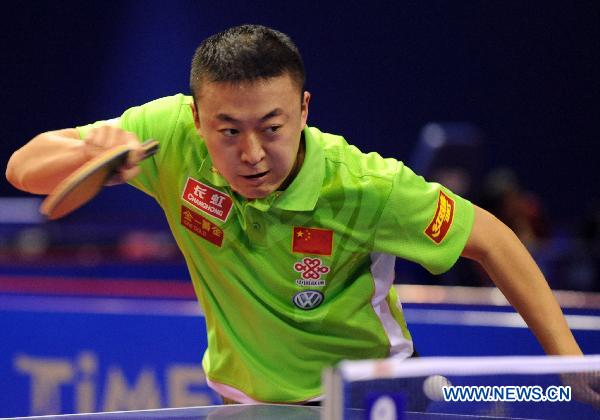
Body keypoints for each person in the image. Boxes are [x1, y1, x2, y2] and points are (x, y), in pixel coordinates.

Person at [5, 24, 598, 407]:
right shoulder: (168, 134)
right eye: (228, 131)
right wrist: (92, 154)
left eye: (272, 127)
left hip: (367, 399)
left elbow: (492, 238)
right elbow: (23, 168)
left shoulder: (365, 186)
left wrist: (568, 364)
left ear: (303, 108)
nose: (253, 153)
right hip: (244, 401)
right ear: (196, 116)